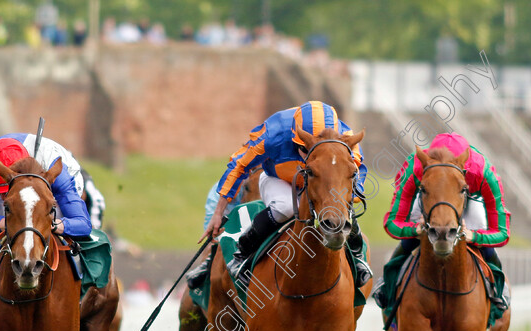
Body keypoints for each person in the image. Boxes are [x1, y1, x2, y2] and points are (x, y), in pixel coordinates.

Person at [194, 101, 372, 287]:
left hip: (319, 179)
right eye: (304, 149)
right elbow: (239, 166)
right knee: (285, 207)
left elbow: (356, 170)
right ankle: (243, 254)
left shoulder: (345, 138)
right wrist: (217, 213)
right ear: (295, 136)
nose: (307, 157)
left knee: (338, 205)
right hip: (277, 178)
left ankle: (358, 258)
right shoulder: (273, 132)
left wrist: (348, 198)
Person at [372, 132, 510, 309]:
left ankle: (499, 287)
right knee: (410, 240)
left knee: (481, 230)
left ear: (465, 167)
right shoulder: (415, 168)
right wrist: (415, 230)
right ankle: (388, 283)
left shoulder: (481, 171)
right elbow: (392, 223)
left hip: (464, 199)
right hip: (430, 198)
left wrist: (474, 237)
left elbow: (503, 233)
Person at [0, 133, 91, 292]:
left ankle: (87, 283)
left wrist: (55, 225)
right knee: (10, 214)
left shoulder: (60, 177)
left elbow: (83, 224)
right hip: (10, 172)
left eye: (4, 192)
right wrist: (10, 222)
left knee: (45, 218)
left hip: (57, 177)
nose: (1, 196)